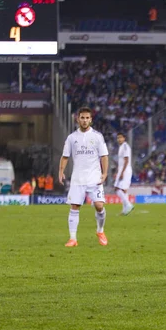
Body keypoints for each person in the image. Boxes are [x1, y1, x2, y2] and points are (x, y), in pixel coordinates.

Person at [59, 106, 109, 247]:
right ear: (78, 119)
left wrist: (104, 173)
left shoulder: (97, 137)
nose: (85, 120)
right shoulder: (72, 138)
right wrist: (61, 171)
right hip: (78, 178)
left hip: (95, 177)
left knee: (99, 205)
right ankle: (73, 239)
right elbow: (65, 156)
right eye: (82, 118)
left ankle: (100, 230)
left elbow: (104, 156)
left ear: (91, 119)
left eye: (87, 118)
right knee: (74, 206)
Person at [115, 132, 135, 215]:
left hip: (125, 170)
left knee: (117, 188)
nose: (119, 139)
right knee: (124, 190)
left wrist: (122, 172)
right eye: (118, 138)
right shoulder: (121, 147)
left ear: (124, 138)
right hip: (123, 170)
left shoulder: (125, 147)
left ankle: (128, 205)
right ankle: (124, 210)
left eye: (120, 137)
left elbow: (126, 160)